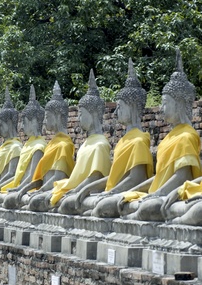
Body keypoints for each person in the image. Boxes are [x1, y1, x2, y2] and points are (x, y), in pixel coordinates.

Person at [113, 49, 200, 221]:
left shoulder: (187, 136)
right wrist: (150, 191)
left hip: (176, 195)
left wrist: (159, 193)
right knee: (131, 202)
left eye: (165, 103)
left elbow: (183, 177)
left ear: (180, 103)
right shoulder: (169, 138)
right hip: (161, 193)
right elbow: (157, 178)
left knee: (150, 206)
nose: (161, 108)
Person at [59, 59, 153, 216]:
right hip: (112, 192)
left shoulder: (138, 140)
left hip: (126, 193)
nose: (116, 113)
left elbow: (137, 178)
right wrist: (86, 188)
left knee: (96, 205)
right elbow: (113, 177)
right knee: (69, 203)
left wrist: (111, 192)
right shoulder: (123, 141)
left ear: (133, 107)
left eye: (120, 107)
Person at [29, 70, 111, 212]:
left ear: (94, 113)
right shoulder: (84, 144)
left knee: (56, 203)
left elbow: (97, 177)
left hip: (88, 192)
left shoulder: (100, 144)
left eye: (81, 114)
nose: (78, 118)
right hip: (73, 188)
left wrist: (77, 190)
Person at [10, 81, 75, 210]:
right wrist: (23, 189)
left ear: (57, 116)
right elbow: (40, 178)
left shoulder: (64, 145)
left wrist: (40, 191)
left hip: (54, 191)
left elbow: (58, 178)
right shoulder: (51, 144)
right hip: (44, 190)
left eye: (48, 117)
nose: (45, 122)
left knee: (32, 203)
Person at [0, 85, 46, 206]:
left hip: (27, 189)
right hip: (15, 186)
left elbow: (32, 176)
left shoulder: (34, 146)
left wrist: (19, 189)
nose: (21, 127)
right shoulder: (24, 146)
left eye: (24, 123)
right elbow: (6, 175)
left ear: (34, 122)